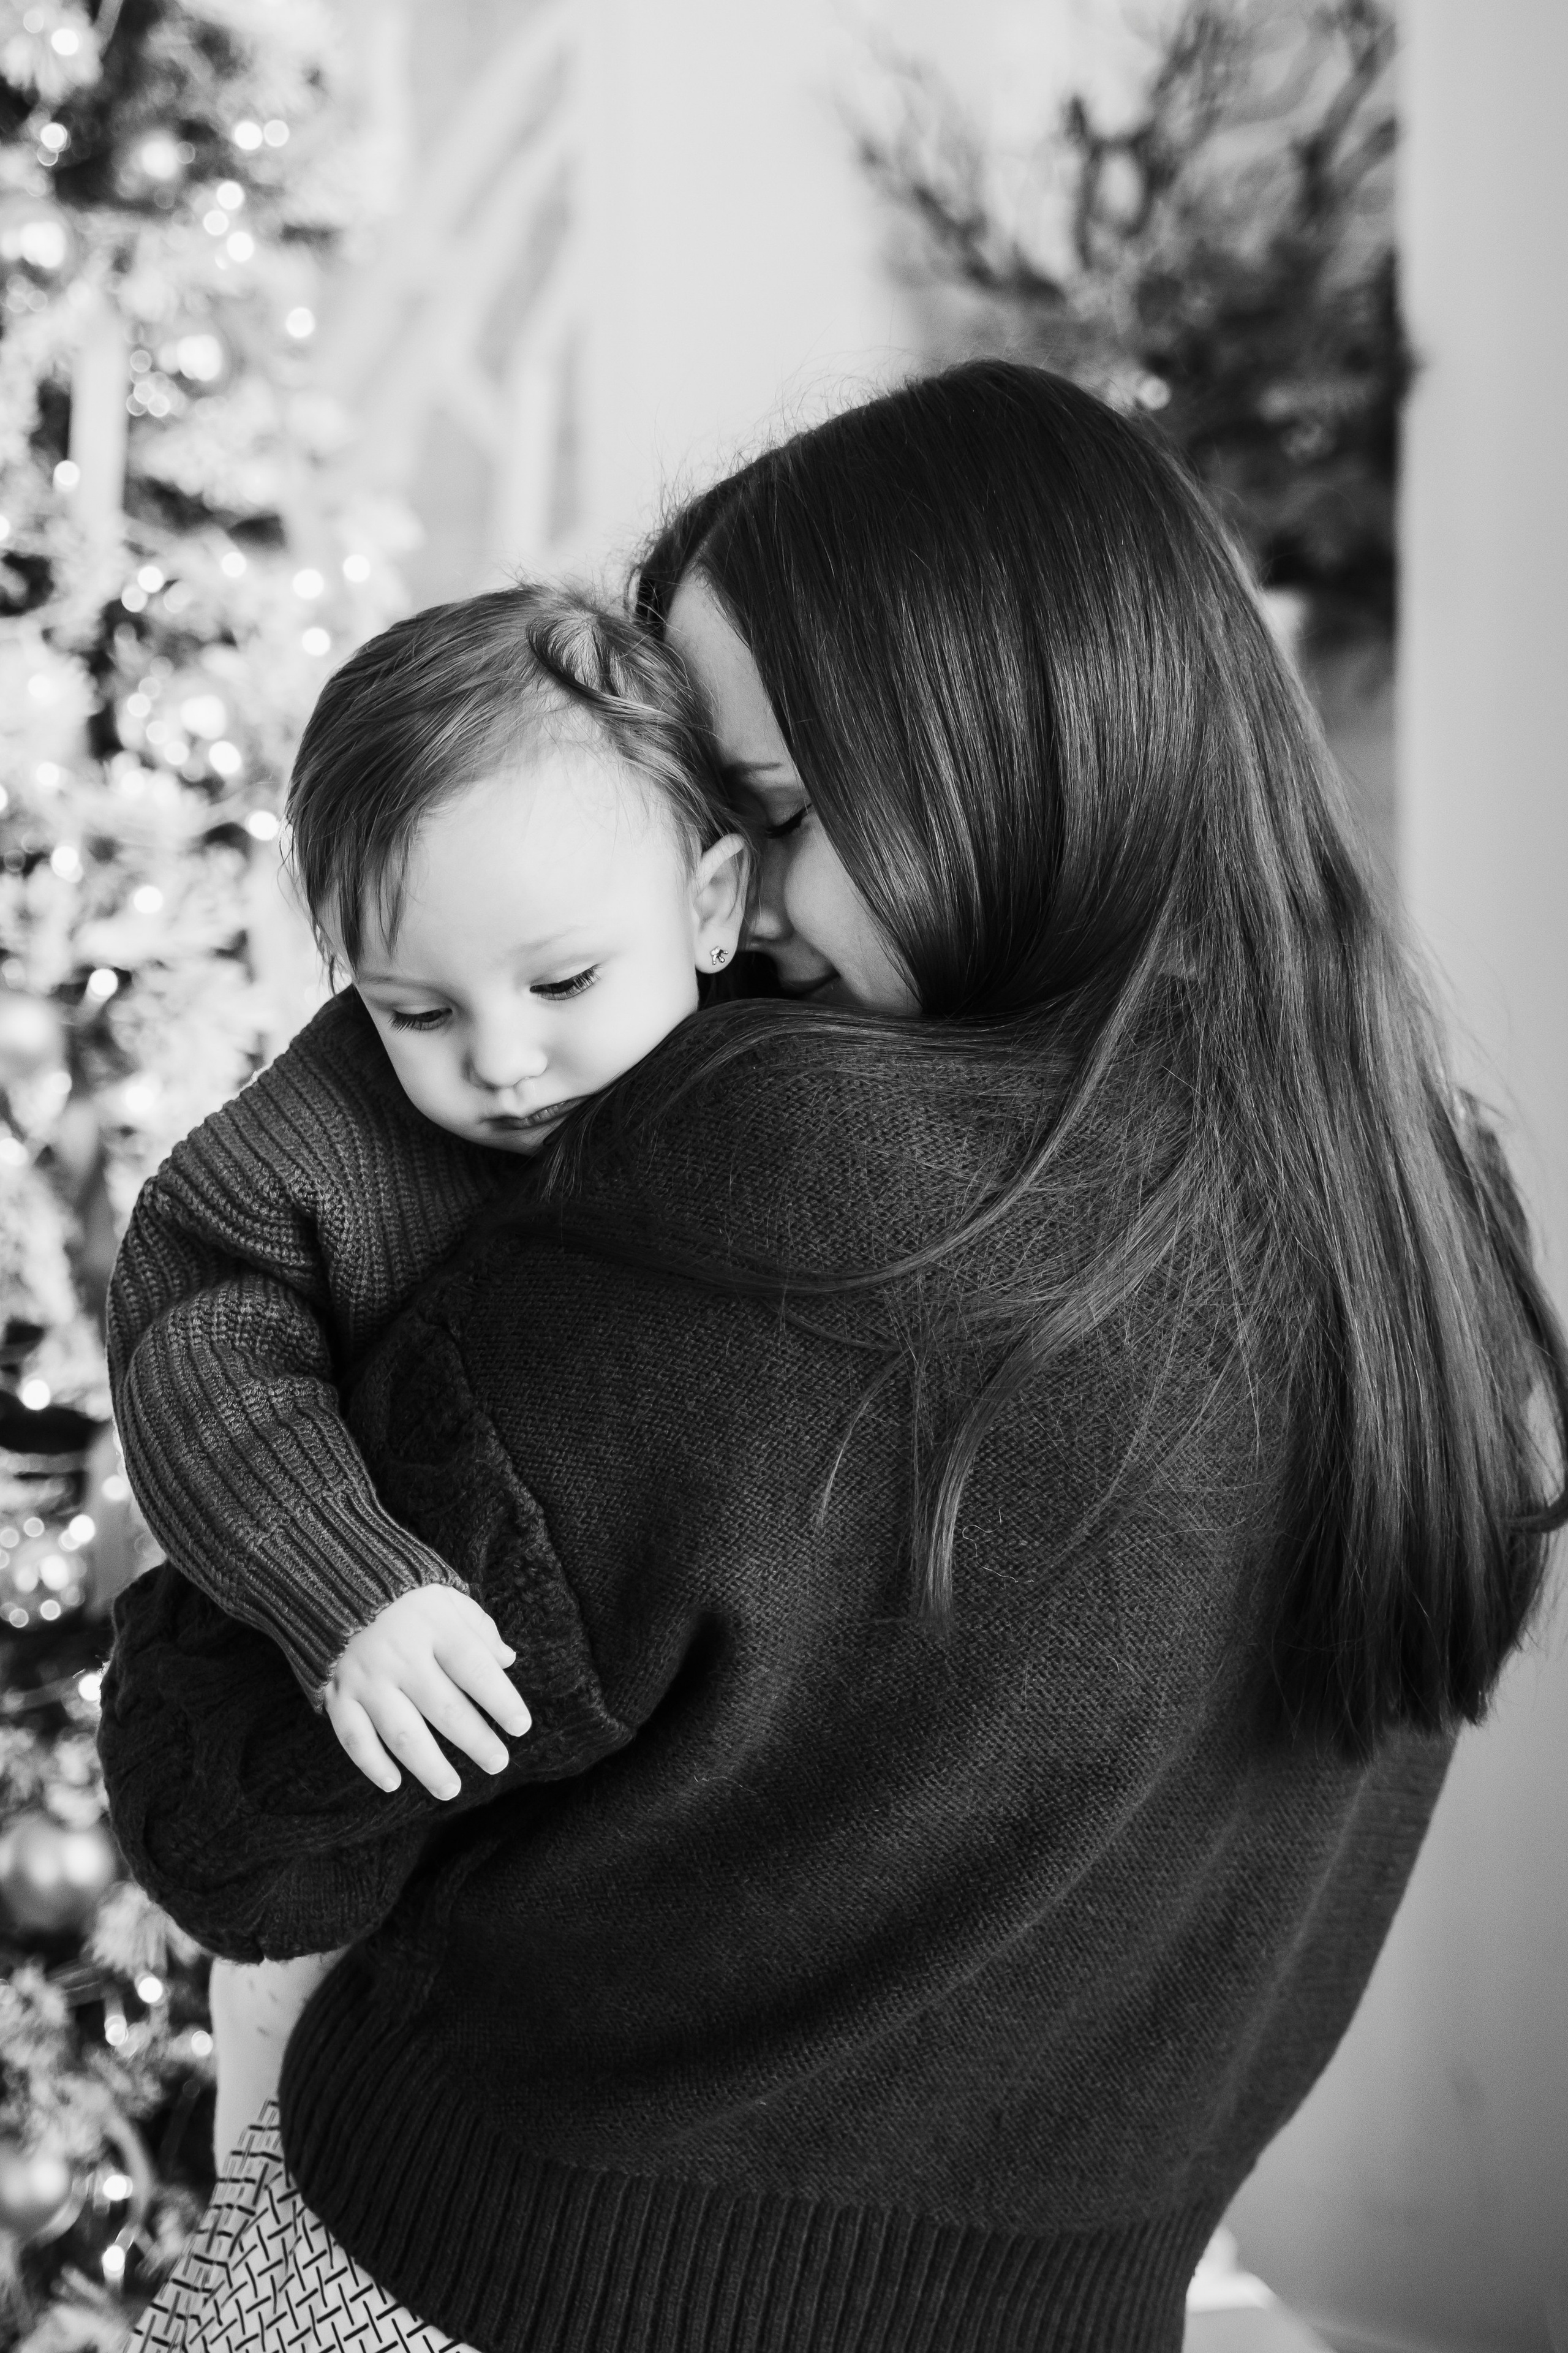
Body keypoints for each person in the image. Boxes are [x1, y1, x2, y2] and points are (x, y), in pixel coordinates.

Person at [102, 362, 1567, 2353]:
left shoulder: (785, 1164)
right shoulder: (1433, 1214)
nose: (727, 910)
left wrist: (224, 1525)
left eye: (764, 817)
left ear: (997, 744)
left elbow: (250, 1824)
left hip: (496, 2296)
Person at [107, 581, 750, 2165]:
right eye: (416, 1008)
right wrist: (347, 1584)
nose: (502, 1057)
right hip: (347, 1714)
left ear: (716, 908)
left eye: (561, 984)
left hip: (610, 1829)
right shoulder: (317, 1148)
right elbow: (199, 1330)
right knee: (292, 2098)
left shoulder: (776, 1074)